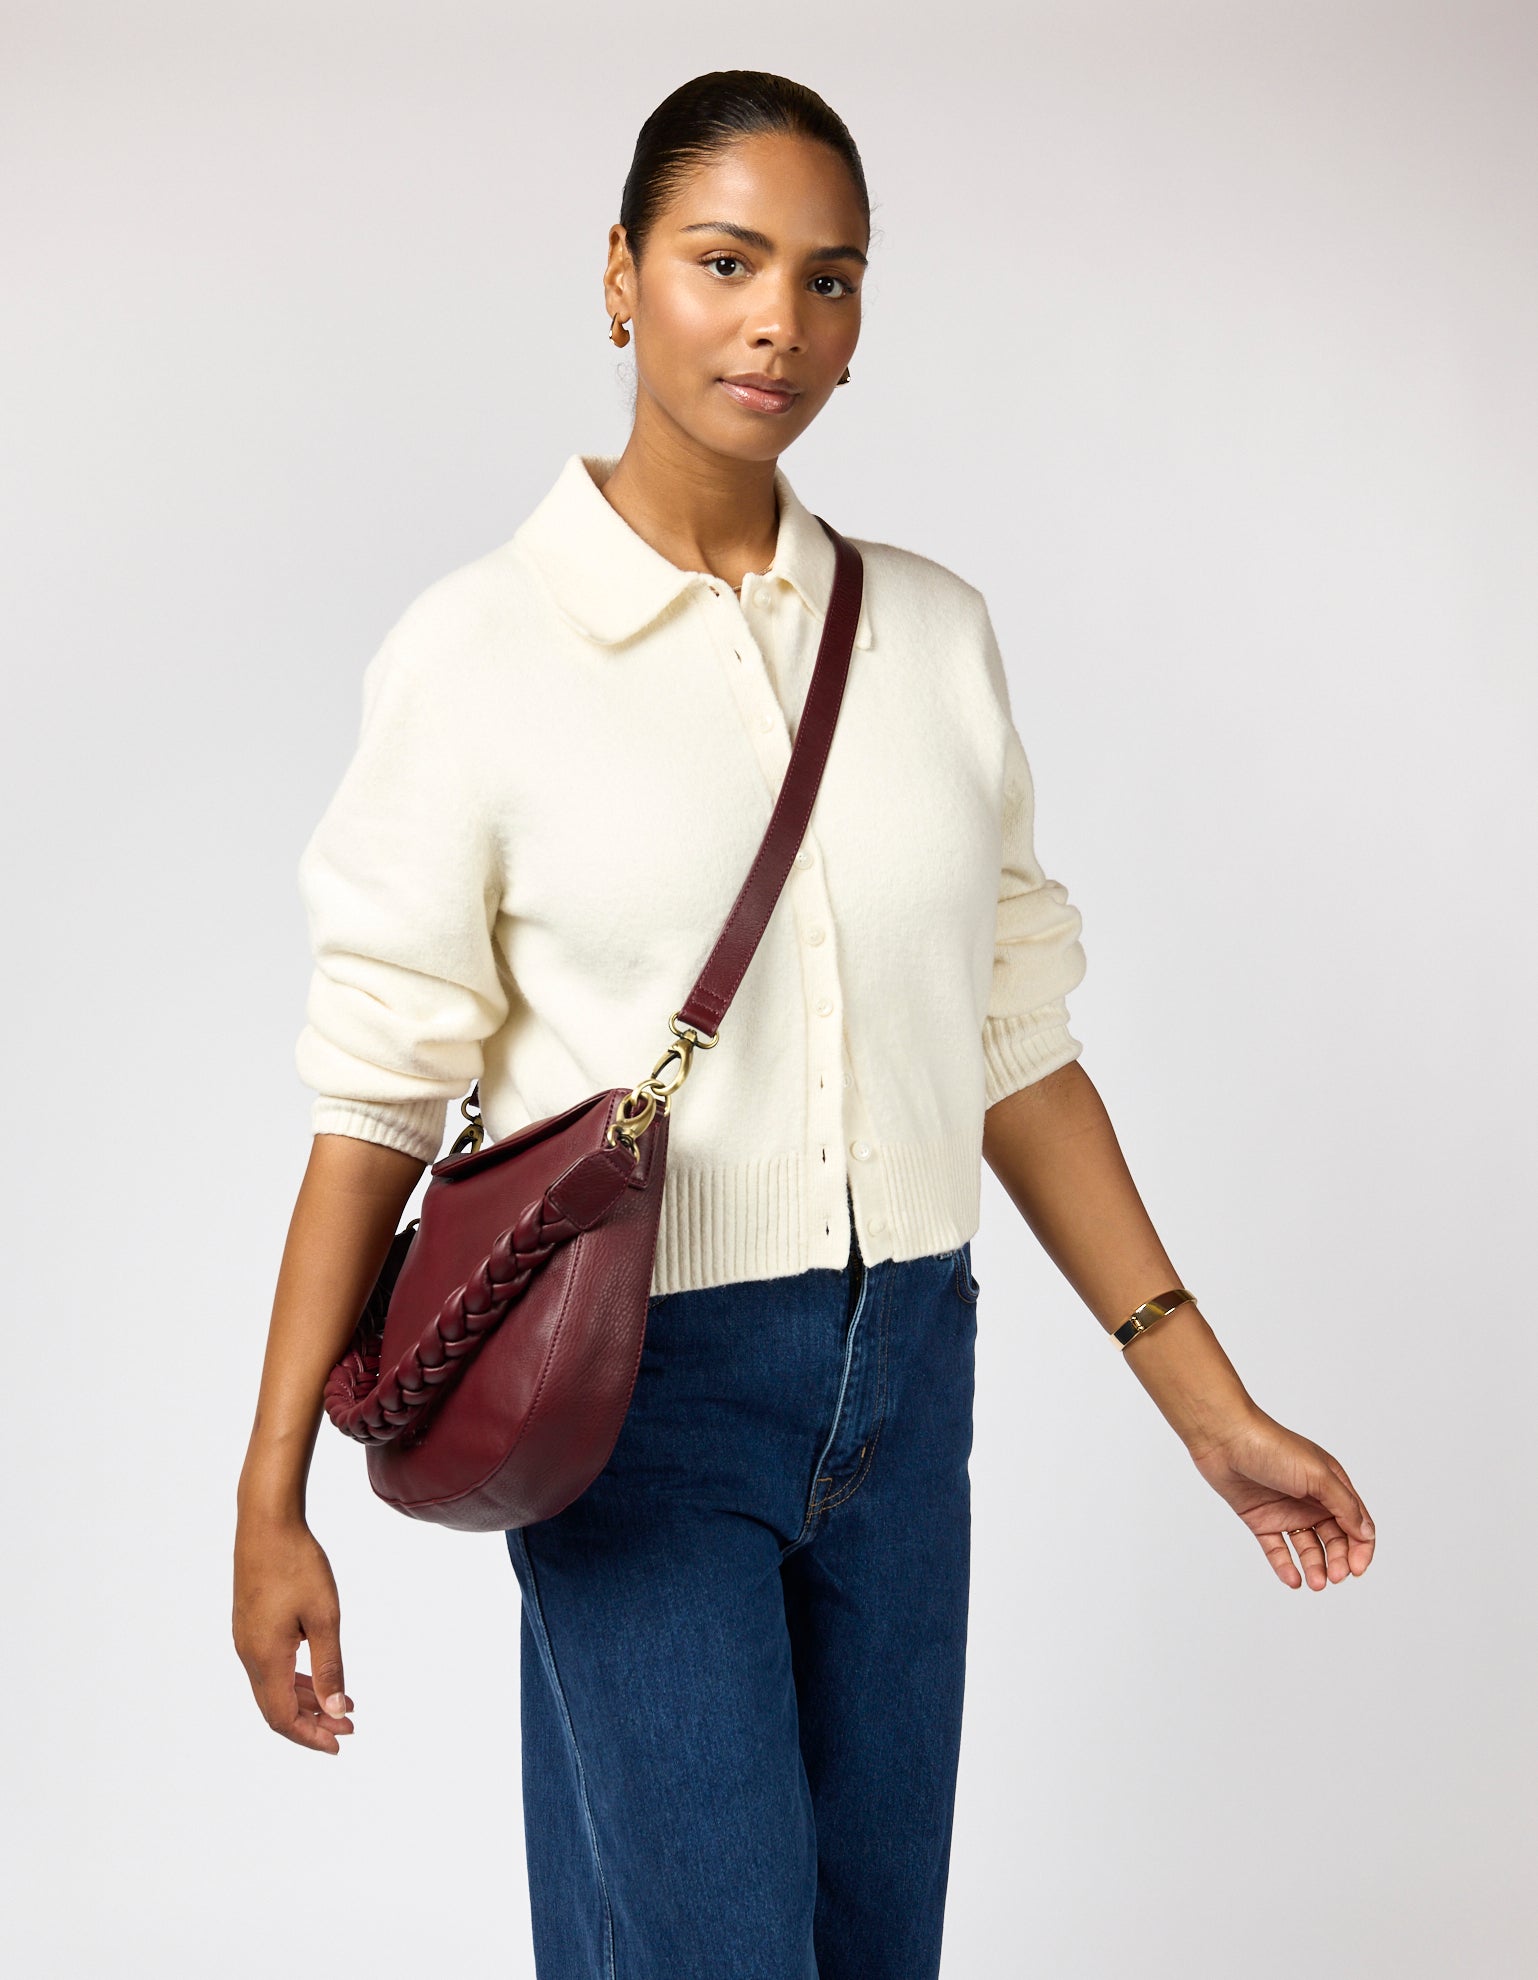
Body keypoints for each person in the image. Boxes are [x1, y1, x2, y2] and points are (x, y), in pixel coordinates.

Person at [233, 68, 1376, 1980]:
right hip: (637, 1403)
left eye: (829, 277)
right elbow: (372, 1102)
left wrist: (1207, 1408)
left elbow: (1013, 1042)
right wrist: (268, 1503)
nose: (781, 320)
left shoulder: (927, 635)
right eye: (725, 260)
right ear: (619, 277)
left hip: (908, 1377)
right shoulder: (480, 655)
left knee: (869, 1950)